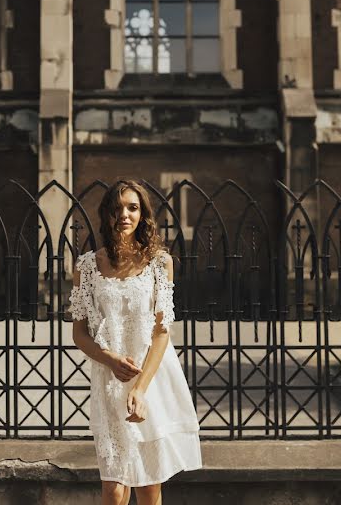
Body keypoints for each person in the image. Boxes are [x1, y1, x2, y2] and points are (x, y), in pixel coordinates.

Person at [68, 179, 201, 505]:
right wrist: (110, 359)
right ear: (106, 215)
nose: (124, 215)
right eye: (117, 208)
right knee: (113, 492)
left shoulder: (159, 264)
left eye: (132, 207)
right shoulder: (86, 267)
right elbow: (79, 333)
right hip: (109, 378)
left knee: (148, 489)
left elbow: (161, 332)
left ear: (142, 214)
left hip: (150, 377)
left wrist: (141, 389)